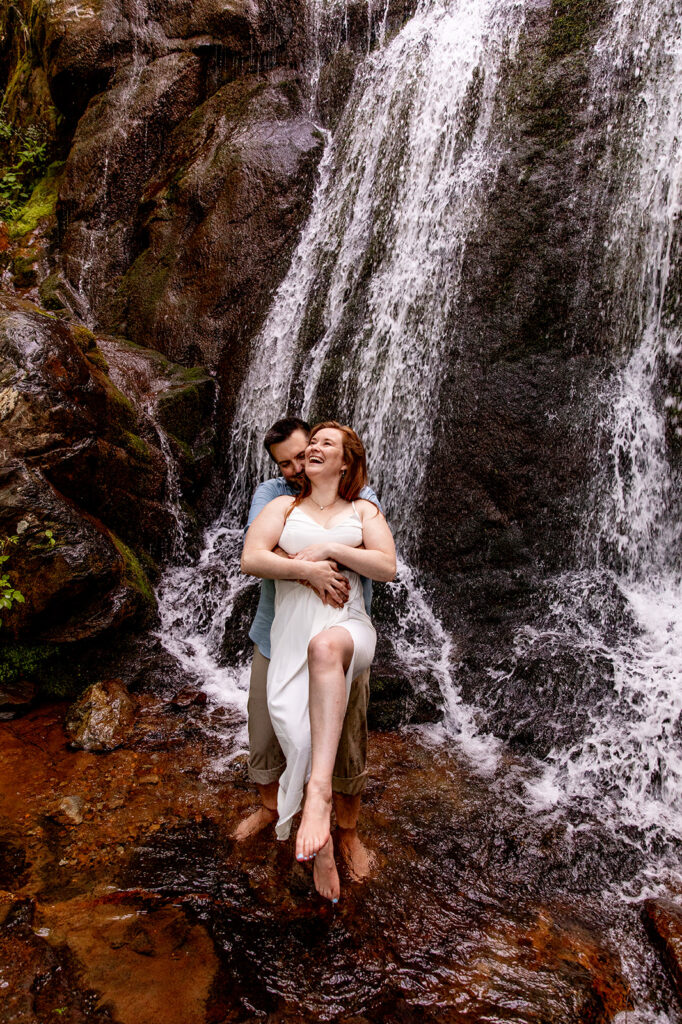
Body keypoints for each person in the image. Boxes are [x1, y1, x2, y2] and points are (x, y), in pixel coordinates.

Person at [241, 422, 396, 902]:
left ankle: (326, 808)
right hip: (285, 631)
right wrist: (307, 570)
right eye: (311, 445)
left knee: (327, 652)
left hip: (346, 628)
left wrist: (331, 548)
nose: (311, 451)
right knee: (289, 725)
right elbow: (251, 558)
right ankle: (314, 837)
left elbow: (388, 568)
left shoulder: (364, 508)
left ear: (346, 461)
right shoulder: (278, 502)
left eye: (324, 443)